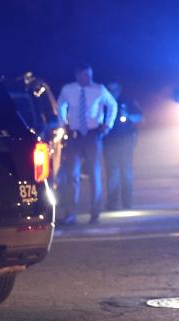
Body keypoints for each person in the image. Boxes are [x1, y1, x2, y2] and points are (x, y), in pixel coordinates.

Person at [56, 63, 118, 225]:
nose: (88, 79)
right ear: (77, 75)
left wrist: (107, 124)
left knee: (94, 174)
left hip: (93, 134)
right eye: (85, 76)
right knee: (72, 176)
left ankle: (95, 212)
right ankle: (70, 213)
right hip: (75, 135)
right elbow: (60, 105)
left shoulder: (99, 89)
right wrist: (63, 124)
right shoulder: (68, 89)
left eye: (90, 75)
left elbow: (112, 105)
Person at [103, 81, 143, 211]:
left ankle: (127, 204)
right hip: (109, 142)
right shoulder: (104, 103)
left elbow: (140, 116)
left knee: (126, 172)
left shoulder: (127, 101)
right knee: (112, 174)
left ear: (119, 89)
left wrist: (128, 116)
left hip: (126, 140)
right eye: (110, 90)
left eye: (115, 90)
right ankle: (112, 204)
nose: (112, 92)